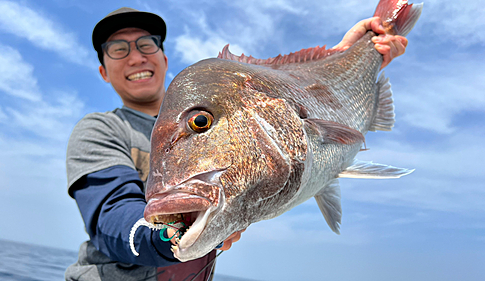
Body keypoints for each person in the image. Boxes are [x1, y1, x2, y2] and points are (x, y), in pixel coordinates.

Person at [65, 7, 408, 281]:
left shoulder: (216, 93)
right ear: (103, 72)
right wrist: (168, 236)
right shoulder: (100, 130)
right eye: (118, 49)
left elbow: (309, 99)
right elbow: (110, 220)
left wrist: (352, 54)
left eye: (146, 44)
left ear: (163, 59)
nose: (136, 57)